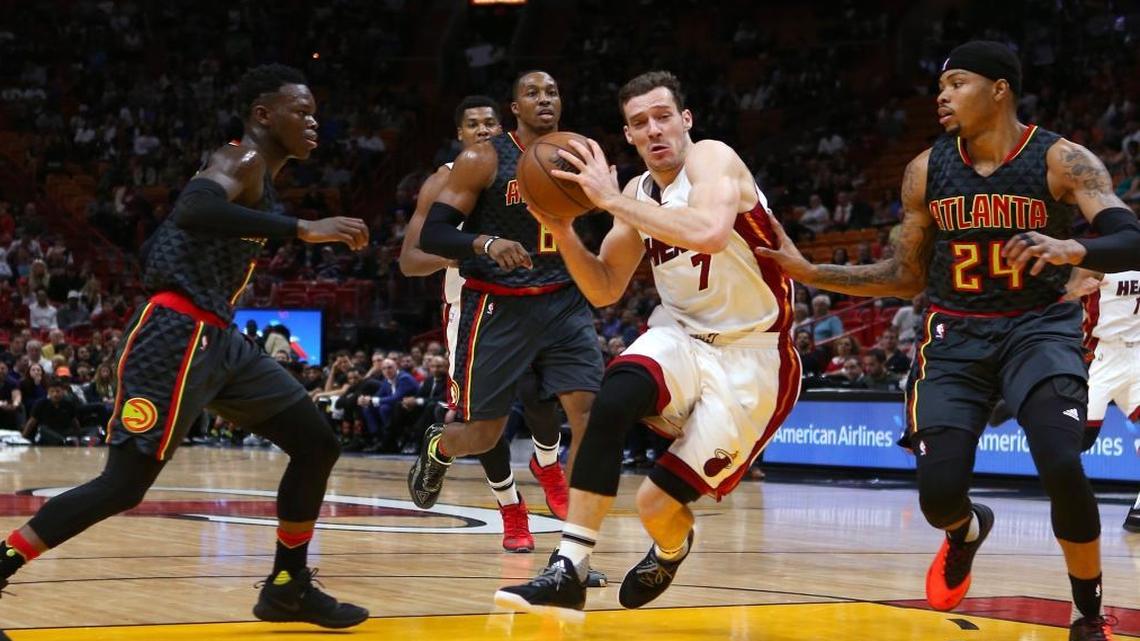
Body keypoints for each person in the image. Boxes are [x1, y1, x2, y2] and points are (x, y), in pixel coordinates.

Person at [757, 41, 1140, 639]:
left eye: (957, 82)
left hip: (1037, 329)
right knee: (938, 496)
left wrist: (1076, 248)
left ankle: (1088, 614)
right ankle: (965, 530)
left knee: (1062, 461)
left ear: (999, 89)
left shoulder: (1061, 160)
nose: (942, 94)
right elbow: (903, 274)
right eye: (941, 85)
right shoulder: (926, 170)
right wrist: (811, 272)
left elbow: (1129, 235)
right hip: (955, 337)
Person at [0, 64, 371, 629]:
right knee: (123, 486)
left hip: (219, 338)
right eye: (301, 110)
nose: (313, 122)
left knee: (316, 442)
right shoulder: (238, 157)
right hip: (175, 331)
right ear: (263, 114)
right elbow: (194, 208)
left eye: (315, 112)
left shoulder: (261, 181)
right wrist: (303, 228)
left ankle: (287, 586)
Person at [494, 70, 800, 620]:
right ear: (629, 136)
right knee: (613, 395)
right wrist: (563, 230)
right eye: (640, 123)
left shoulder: (713, 159)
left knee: (654, 505)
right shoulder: (637, 194)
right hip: (681, 335)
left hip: (753, 357)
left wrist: (610, 200)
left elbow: (707, 231)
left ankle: (671, 546)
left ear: (686, 120)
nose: (654, 130)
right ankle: (570, 566)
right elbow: (606, 288)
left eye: (663, 117)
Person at [408, 71, 602, 527]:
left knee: (590, 416)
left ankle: (573, 550)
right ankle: (441, 445)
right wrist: (485, 243)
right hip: (498, 305)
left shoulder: (581, 155)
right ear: (515, 108)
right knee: (481, 433)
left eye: (553, 91)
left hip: (564, 299)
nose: (545, 100)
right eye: (532, 93)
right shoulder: (483, 160)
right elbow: (433, 234)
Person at [1072, 267, 1140, 532]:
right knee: (1083, 439)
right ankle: (1016, 406)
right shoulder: (1100, 260)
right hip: (1101, 356)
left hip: (1136, 357)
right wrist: (1075, 290)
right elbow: (1065, 290)